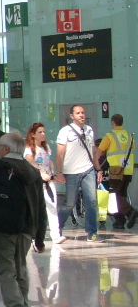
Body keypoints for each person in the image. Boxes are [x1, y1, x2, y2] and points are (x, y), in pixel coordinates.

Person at [0, 131, 46, 307]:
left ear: (7, 149)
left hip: (3, 226)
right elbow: (40, 206)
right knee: (20, 268)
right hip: (27, 227)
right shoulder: (32, 171)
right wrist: (40, 236)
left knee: (6, 269)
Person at [54, 104, 102, 242]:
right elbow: (60, 154)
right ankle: (57, 227)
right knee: (69, 203)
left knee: (91, 201)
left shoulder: (89, 130)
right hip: (71, 172)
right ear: (72, 116)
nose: (81, 115)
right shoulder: (65, 131)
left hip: (88, 170)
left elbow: (93, 152)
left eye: (83, 112)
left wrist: (98, 169)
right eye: (78, 113)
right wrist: (60, 172)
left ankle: (92, 232)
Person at [24, 123, 63, 248]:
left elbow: (49, 162)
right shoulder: (29, 148)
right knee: (35, 209)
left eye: (44, 132)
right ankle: (31, 234)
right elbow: (30, 163)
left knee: (52, 206)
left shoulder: (46, 147)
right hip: (36, 182)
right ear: (33, 134)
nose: (43, 134)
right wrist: (40, 173)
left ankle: (56, 234)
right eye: (40, 132)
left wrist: (54, 173)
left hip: (49, 180)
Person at [98, 113, 136, 230]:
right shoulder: (129, 135)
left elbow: (100, 151)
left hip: (115, 170)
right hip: (128, 169)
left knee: (113, 194)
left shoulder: (110, 135)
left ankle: (130, 212)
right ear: (122, 122)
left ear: (113, 122)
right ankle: (120, 221)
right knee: (122, 195)